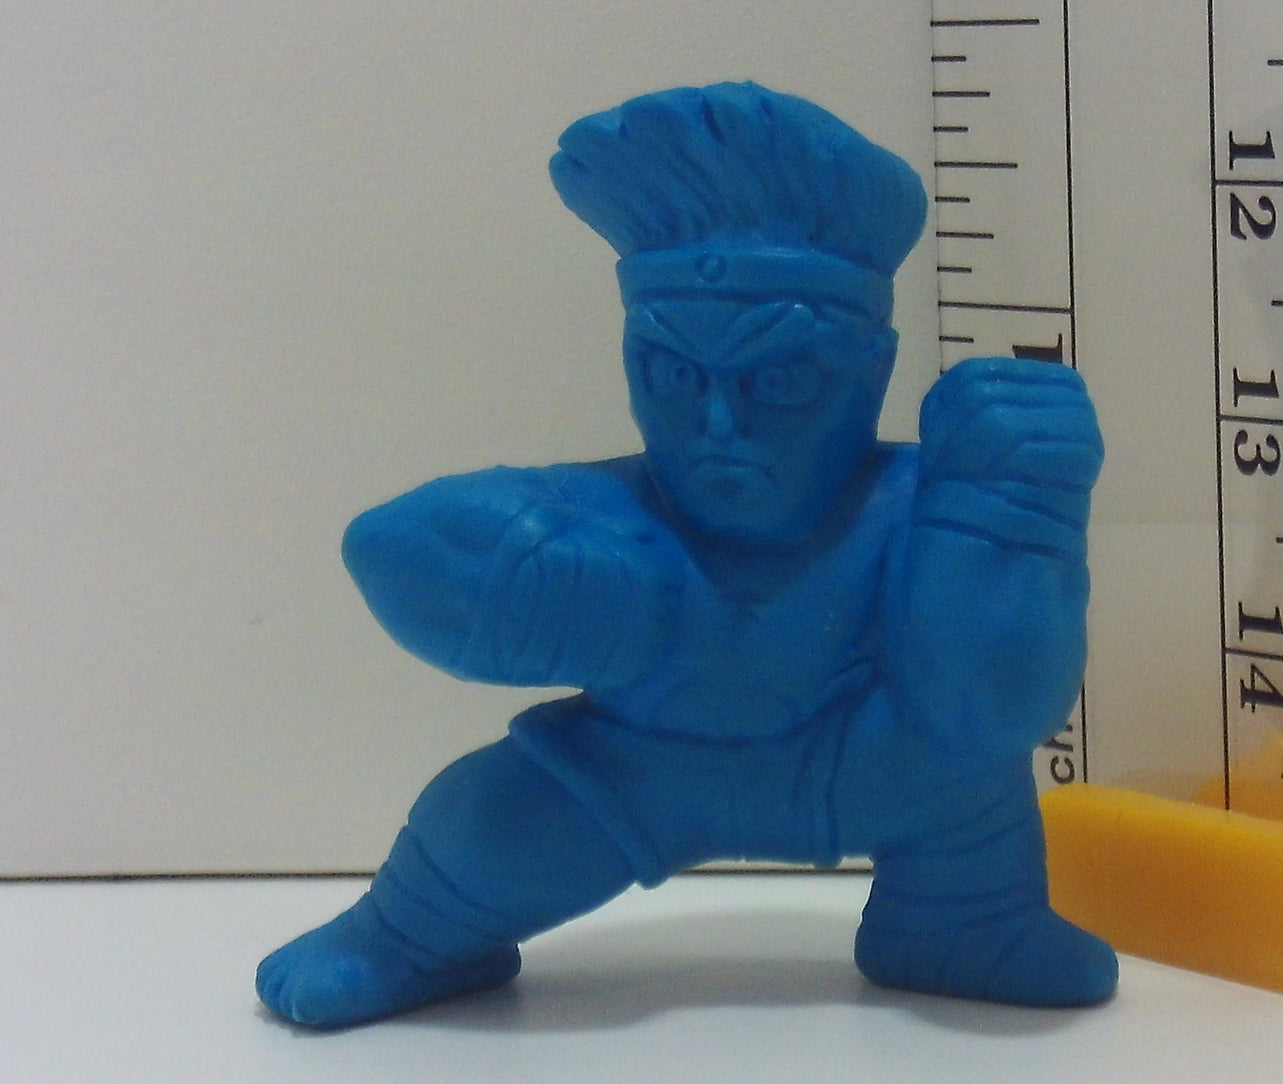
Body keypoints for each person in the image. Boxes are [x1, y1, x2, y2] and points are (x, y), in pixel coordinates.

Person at [256, 81, 1116, 1029]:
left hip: (878, 772)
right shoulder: (615, 507)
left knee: (968, 783)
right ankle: (401, 938)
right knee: (486, 826)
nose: (716, 426)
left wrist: (1008, 516)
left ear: (871, 370)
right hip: (634, 779)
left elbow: (992, 709)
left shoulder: (922, 500)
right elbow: (385, 545)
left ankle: (960, 928)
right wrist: (516, 563)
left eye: (778, 379)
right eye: (671, 373)